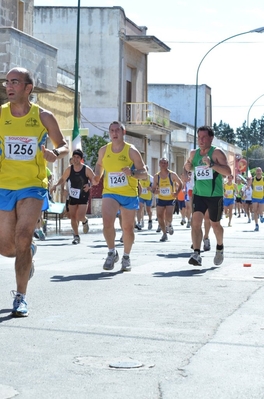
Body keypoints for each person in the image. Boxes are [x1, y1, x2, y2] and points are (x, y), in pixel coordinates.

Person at [0, 67, 69, 317]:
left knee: (23, 235)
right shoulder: (0, 115)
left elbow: (64, 146)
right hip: (4, 185)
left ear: (28, 88)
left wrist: (56, 153)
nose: (9, 86)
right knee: (6, 247)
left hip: (33, 185)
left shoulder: (44, 117)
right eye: (7, 82)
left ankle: (20, 297)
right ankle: (27, 255)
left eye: (15, 82)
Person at [93, 121, 147, 272]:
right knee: (107, 223)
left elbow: (144, 174)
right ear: (109, 133)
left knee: (128, 228)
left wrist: (133, 173)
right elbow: (99, 165)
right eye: (111, 130)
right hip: (110, 192)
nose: (114, 133)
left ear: (124, 133)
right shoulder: (104, 150)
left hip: (129, 194)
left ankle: (126, 256)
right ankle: (111, 252)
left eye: (117, 130)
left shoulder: (132, 151)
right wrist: (98, 175)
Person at [183, 125, 231, 267]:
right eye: (199, 137)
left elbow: (227, 171)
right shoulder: (194, 153)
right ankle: (196, 253)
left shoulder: (216, 153)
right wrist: (186, 169)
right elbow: (189, 166)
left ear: (211, 138)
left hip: (214, 195)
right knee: (195, 223)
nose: (201, 140)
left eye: (204, 137)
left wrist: (212, 165)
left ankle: (220, 247)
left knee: (215, 224)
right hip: (198, 194)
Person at [51, 149, 94, 244]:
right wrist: (55, 185)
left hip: (83, 195)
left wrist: (89, 185)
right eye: (74, 157)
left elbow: (94, 179)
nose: (75, 159)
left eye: (78, 157)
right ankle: (76, 236)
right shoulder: (69, 169)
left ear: (81, 159)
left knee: (80, 216)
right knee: (73, 216)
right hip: (73, 195)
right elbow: (63, 179)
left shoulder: (86, 169)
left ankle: (85, 221)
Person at [152, 157, 183, 242]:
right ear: (159, 164)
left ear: (168, 164)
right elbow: (153, 188)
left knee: (169, 216)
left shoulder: (172, 174)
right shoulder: (156, 176)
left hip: (170, 198)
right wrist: (155, 191)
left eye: (165, 163)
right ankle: (164, 233)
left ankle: (169, 224)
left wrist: (177, 193)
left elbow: (180, 184)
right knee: (159, 217)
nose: (163, 164)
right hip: (161, 199)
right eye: (161, 163)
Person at [251, 167, 264, 231]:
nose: (258, 172)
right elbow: (249, 185)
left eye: (259, 171)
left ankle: (261, 216)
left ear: (261, 172)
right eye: (257, 171)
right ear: (256, 172)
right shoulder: (253, 179)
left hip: (262, 197)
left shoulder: (263, 179)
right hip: (254, 197)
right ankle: (256, 225)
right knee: (255, 211)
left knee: (261, 211)